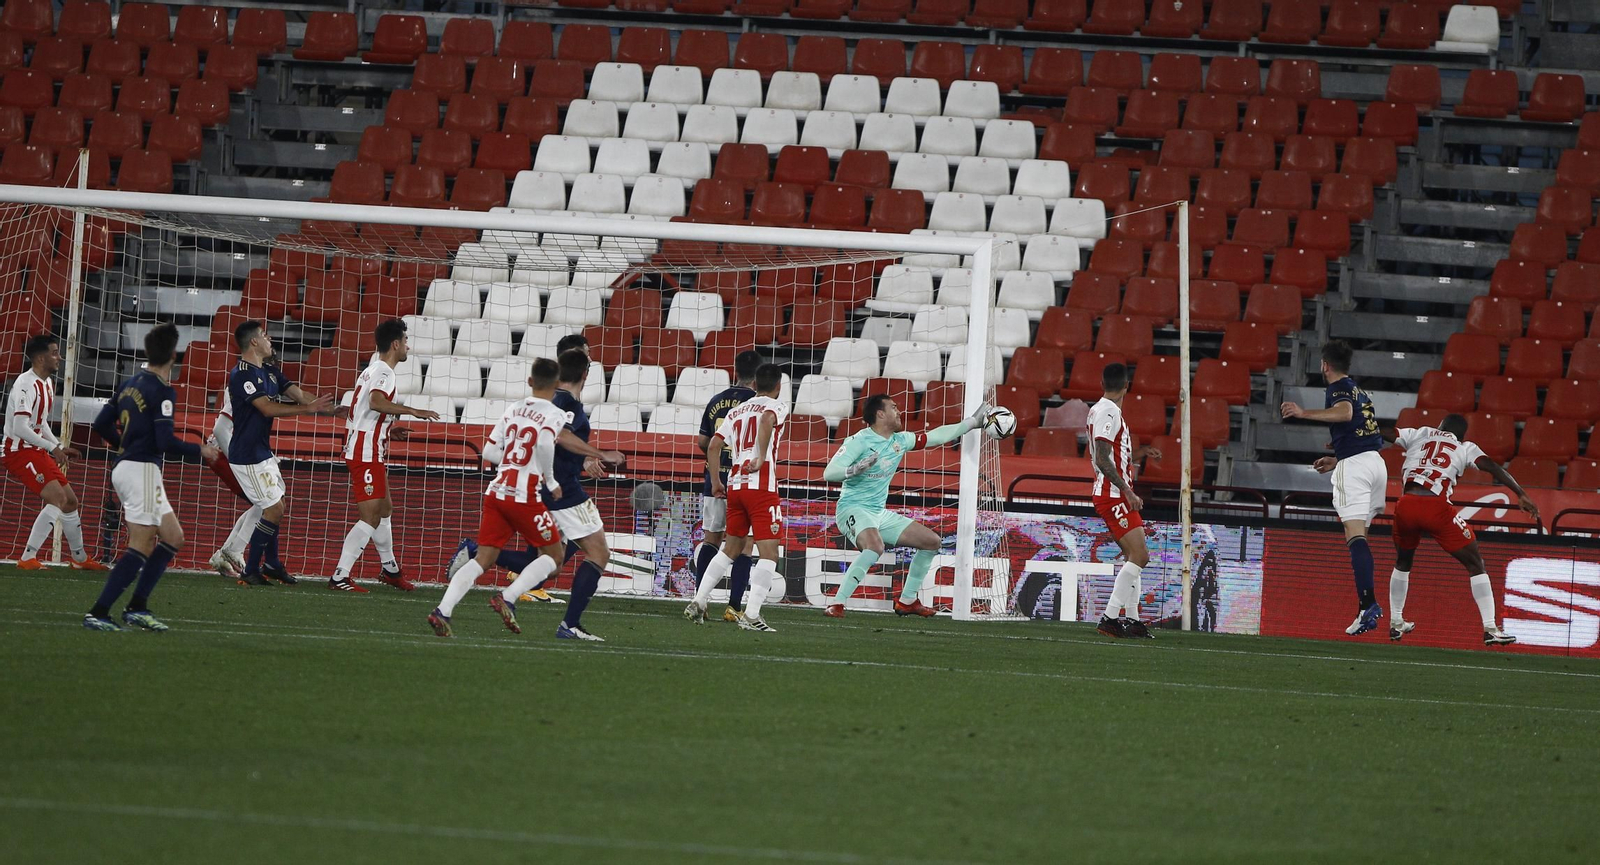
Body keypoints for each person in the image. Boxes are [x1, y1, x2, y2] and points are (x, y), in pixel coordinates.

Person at [1317, 414, 1534, 646]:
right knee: (1475, 563)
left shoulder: (1420, 433)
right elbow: (1491, 466)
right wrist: (1520, 493)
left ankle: (1396, 621)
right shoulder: (1465, 446)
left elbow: (1383, 432)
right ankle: (1490, 628)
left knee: (1403, 562)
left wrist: (1346, 441)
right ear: (1462, 434)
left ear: (1440, 426)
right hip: (1436, 506)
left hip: (1406, 505)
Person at [443, 334, 622, 607]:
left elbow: (547, 441)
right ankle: (516, 596)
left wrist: (584, 460)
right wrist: (594, 455)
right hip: (550, 490)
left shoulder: (544, 403)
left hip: (533, 487)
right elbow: (556, 437)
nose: (587, 358)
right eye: (583, 354)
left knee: (548, 559)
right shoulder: (561, 402)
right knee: (561, 556)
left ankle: (480, 585)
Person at [84, 324, 221, 630]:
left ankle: (136, 607)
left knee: (173, 537)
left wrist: (122, 445)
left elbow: (101, 423)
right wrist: (199, 450)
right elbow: (163, 442)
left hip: (129, 467)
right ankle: (99, 611)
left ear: (147, 352)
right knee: (142, 543)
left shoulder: (130, 383)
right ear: (174, 355)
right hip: (142, 469)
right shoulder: (162, 390)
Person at [428, 358, 568, 638]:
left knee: (484, 558)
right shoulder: (554, 413)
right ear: (557, 385)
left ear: (530, 381)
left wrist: (514, 464)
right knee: (554, 556)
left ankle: (442, 611)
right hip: (524, 496)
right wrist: (550, 480)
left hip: (496, 492)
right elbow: (541, 443)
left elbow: (490, 453)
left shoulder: (513, 409)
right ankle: (509, 597)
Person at [821, 394, 989, 618]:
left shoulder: (899, 441)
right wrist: (854, 469)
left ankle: (907, 601)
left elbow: (935, 436)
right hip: (852, 508)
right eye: (893, 407)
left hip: (877, 513)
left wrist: (971, 423)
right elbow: (828, 473)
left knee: (931, 542)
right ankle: (837, 603)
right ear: (880, 414)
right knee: (874, 546)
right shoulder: (858, 441)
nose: (899, 411)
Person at [1282, 340, 1388, 637]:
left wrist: (1303, 413)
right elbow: (1363, 428)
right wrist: (1337, 456)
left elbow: (1343, 414)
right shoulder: (1359, 390)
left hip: (1356, 468)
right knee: (1361, 536)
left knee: (1354, 535)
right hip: (1375, 463)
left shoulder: (1337, 388)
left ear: (1325, 365)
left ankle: (1368, 604)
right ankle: (1365, 606)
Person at [329, 318, 442, 593]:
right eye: (405, 342)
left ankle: (390, 569)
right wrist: (413, 411)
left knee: (385, 508)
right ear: (395, 344)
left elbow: (364, 414)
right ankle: (340, 575)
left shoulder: (370, 370)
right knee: (370, 516)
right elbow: (375, 402)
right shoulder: (385, 373)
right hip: (364, 453)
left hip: (370, 447)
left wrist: (389, 430)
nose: (407, 347)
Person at [226, 320, 336, 587]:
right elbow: (266, 408)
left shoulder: (271, 371)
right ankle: (250, 570)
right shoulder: (241, 374)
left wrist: (332, 408)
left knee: (276, 503)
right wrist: (307, 410)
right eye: (264, 335)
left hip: (262, 451)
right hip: (246, 454)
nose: (269, 339)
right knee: (273, 508)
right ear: (253, 342)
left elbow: (299, 395)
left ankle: (272, 564)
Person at [685, 362, 787, 632]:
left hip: (735, 486)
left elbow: (714, 444)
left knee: (729, 549)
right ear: (778, 386)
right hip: (761, 487)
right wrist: (761, 457)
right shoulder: (776, 406)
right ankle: (752, 615)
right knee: (769, 553)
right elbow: (766, 420)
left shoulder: (737, 410)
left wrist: (717, 481)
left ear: (754, 385)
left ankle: (698, 600)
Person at [5, 334, 106, 571]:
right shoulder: (24, 384)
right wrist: (51, 448)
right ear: (40, 358)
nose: (59, 357)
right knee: (58, 499)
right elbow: (20, 428)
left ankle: (80, 560)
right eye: (54, 353)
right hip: (18, 451)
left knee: (70, 502)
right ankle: (27, 557)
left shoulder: (47, 382)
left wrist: (58, 446)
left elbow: (40, 422)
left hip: (35, 449)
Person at [691, 349, 764, 623]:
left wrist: (717, 461)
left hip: (714, 480)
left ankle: (701, 599)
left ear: (735, 372)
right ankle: (733, 606)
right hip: (744, 481)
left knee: (711, 538)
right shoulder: (757, 405)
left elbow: (702, 441)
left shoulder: (716, 401)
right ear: (757, 377)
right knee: (744, 544)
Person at [1087, 362, 1158, 639]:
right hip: (1113, 494)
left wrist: (1139, 453)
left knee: (1134, 557)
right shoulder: (1109, 411)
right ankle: (1110, 617)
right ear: (1127, 385)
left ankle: (1132, 619)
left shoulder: (1098, 409)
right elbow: (1102, 458)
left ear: (1102, 383)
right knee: (1140, 556)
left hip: (1113, 493)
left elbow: (1110, 454)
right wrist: (1127, 491)